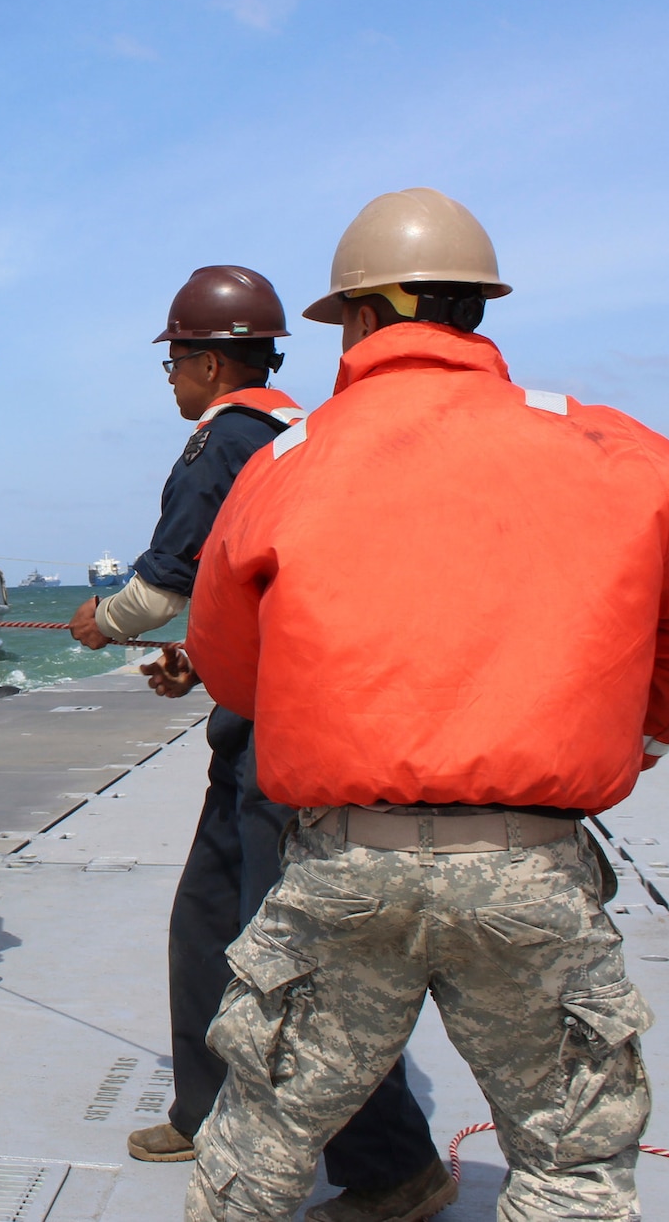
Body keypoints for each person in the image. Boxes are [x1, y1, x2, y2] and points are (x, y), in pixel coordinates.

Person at [179, 188, 669, 1222]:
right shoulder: (613, 447)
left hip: (345, 865)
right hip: (529, 864)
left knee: (251, 1160)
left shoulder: (281, 463)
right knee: (569, 1166)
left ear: (354, 319)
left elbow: (227, 663)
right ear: (474, 310)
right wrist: (630, 738)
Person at [66, 268, 442, 1220]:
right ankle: (206, 1104)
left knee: (293, 956)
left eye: (174, 360)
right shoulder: (297, 438)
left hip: (288, 741)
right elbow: (278, 593)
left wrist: (102, 623)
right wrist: (202, 655)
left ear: (208, 359)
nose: (169, 378)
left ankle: (395, 1163)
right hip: (258, 726)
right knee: (205, 920)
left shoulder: (221, 439)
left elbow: (158, 583)